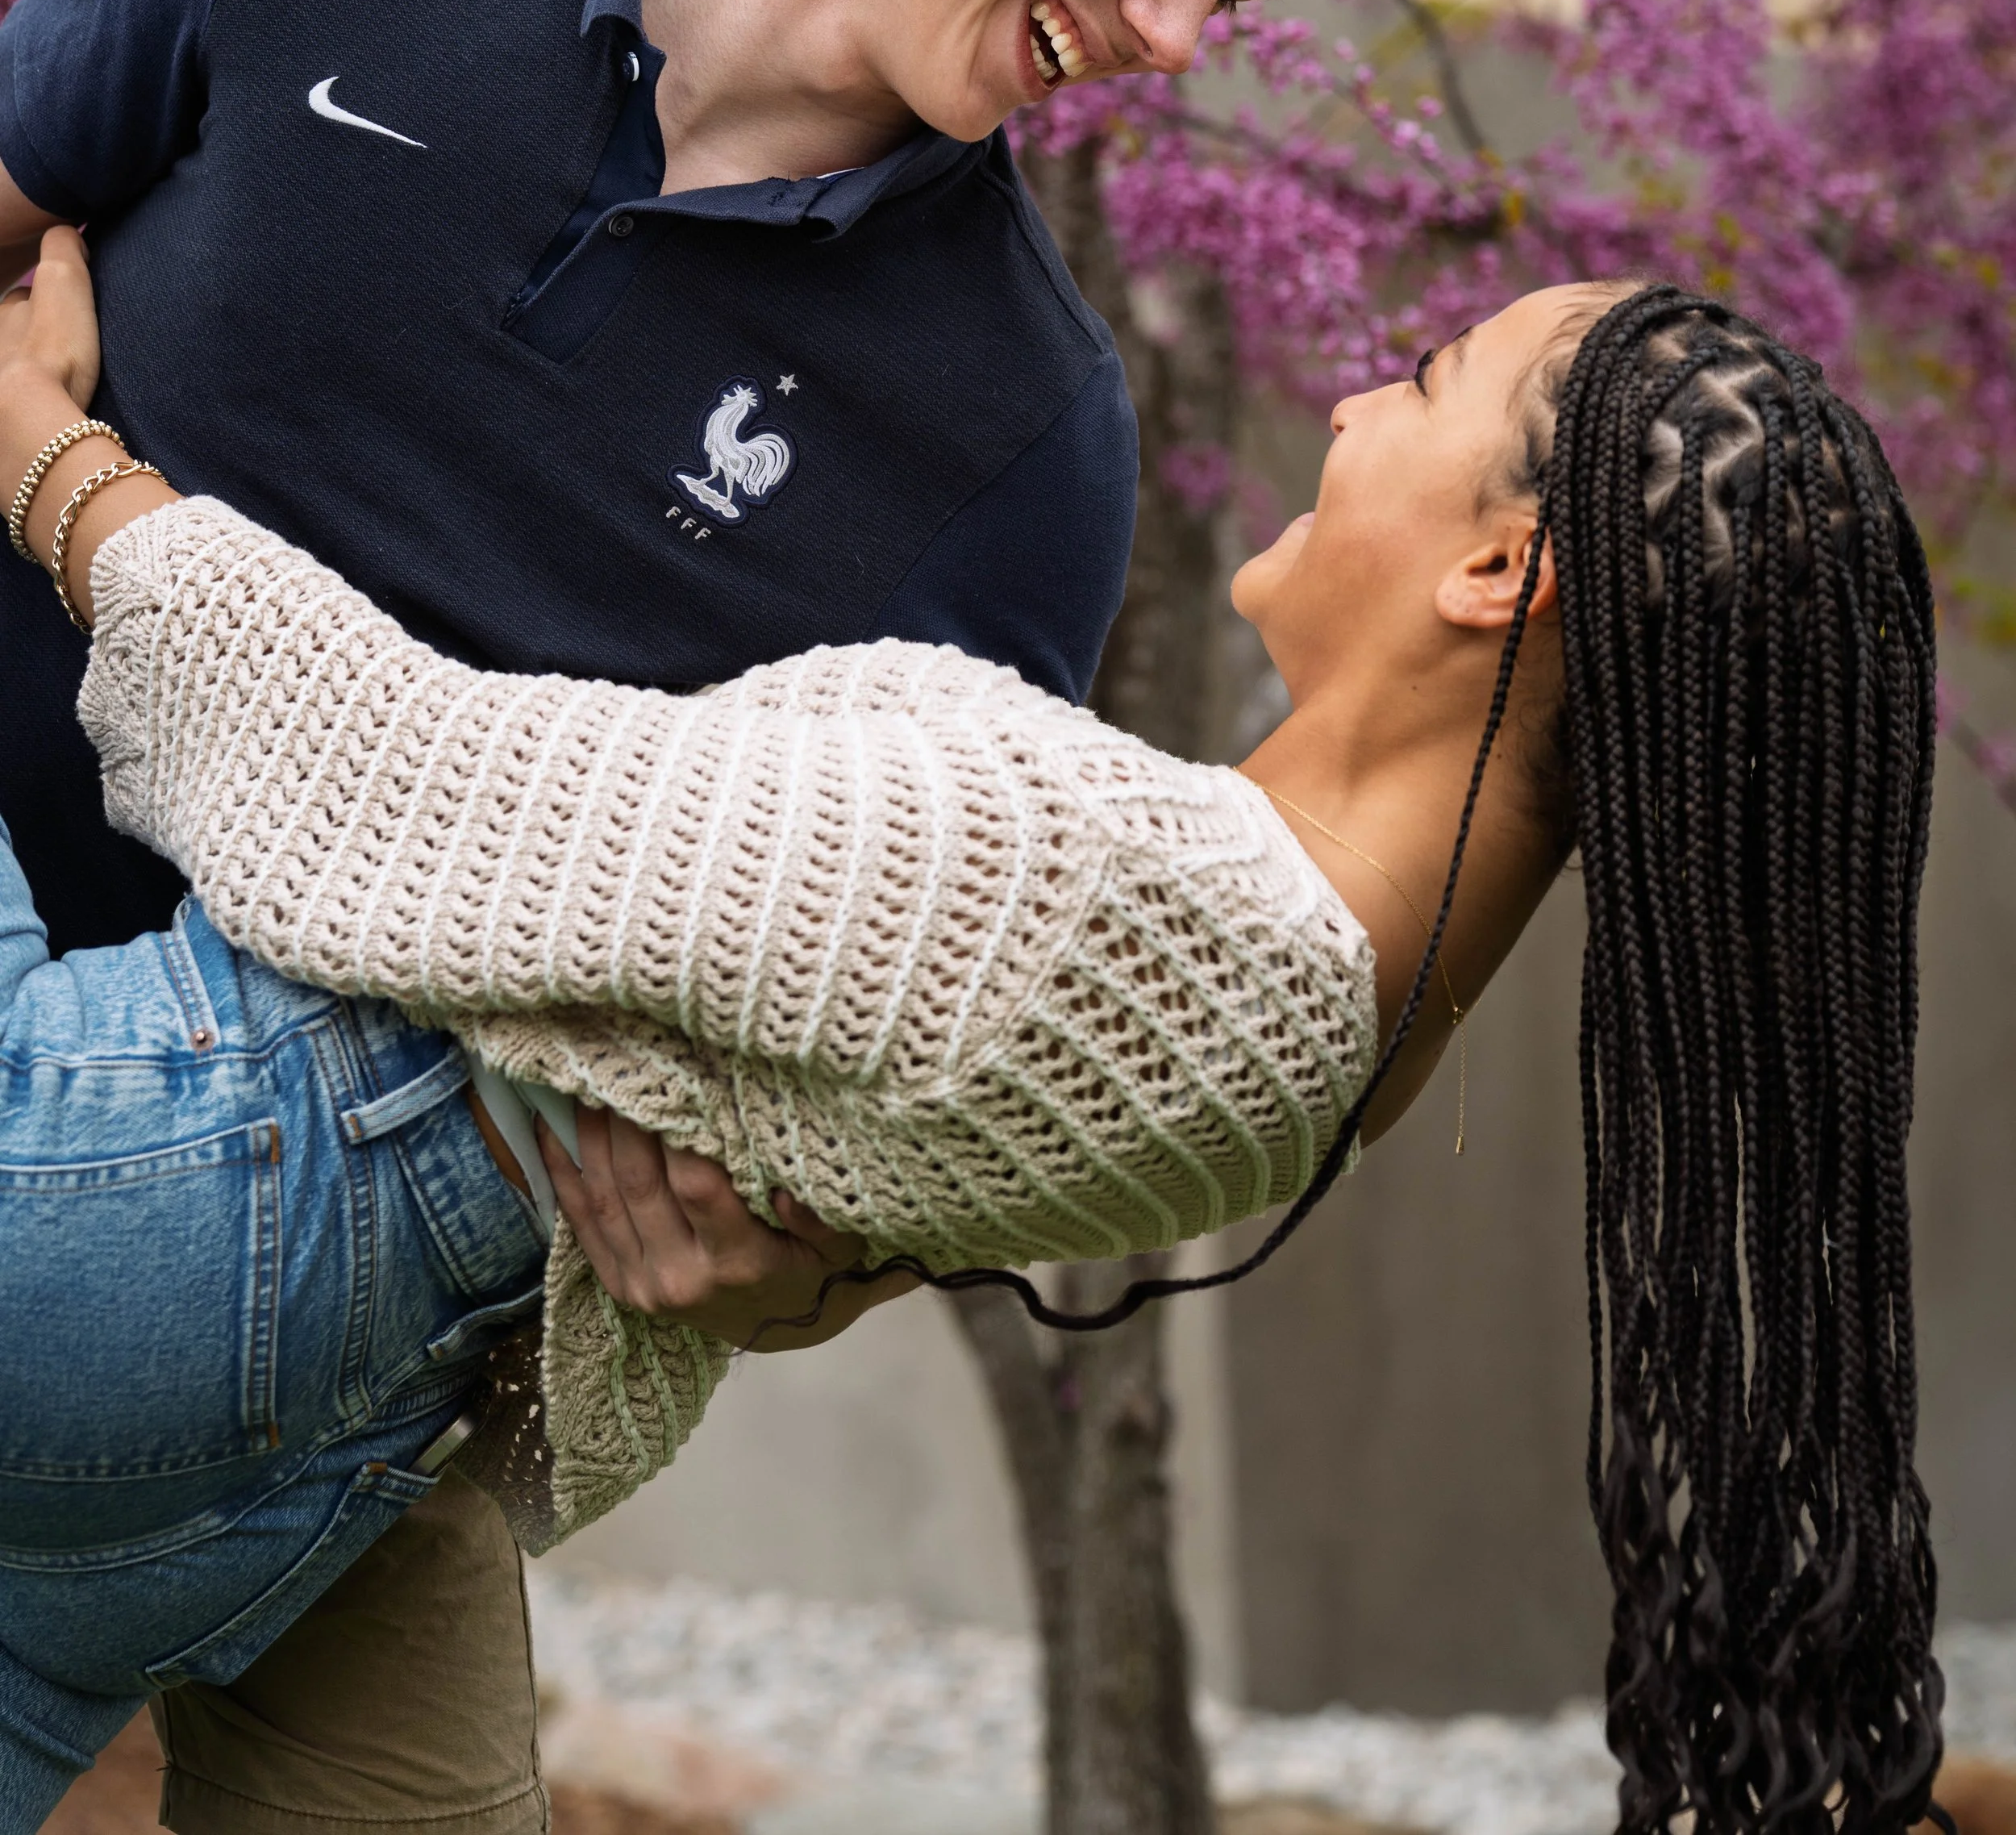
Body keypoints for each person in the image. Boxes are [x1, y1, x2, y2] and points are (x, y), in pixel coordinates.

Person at [0, 0, 1435, 1829]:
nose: (1176, 35)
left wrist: (765, 1264)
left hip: (340, 1382)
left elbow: (879, 1132)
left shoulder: (1024, 442)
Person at [0, 237, 1942, 1835]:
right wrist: (795, 1276)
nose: (1352, 399)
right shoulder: (1327, 1043)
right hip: (310, 1426)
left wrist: (47, 451)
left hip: (159, 1179)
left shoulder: (1102, 888)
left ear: (1493, 571)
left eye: (1423, 380)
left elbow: (407, 782)